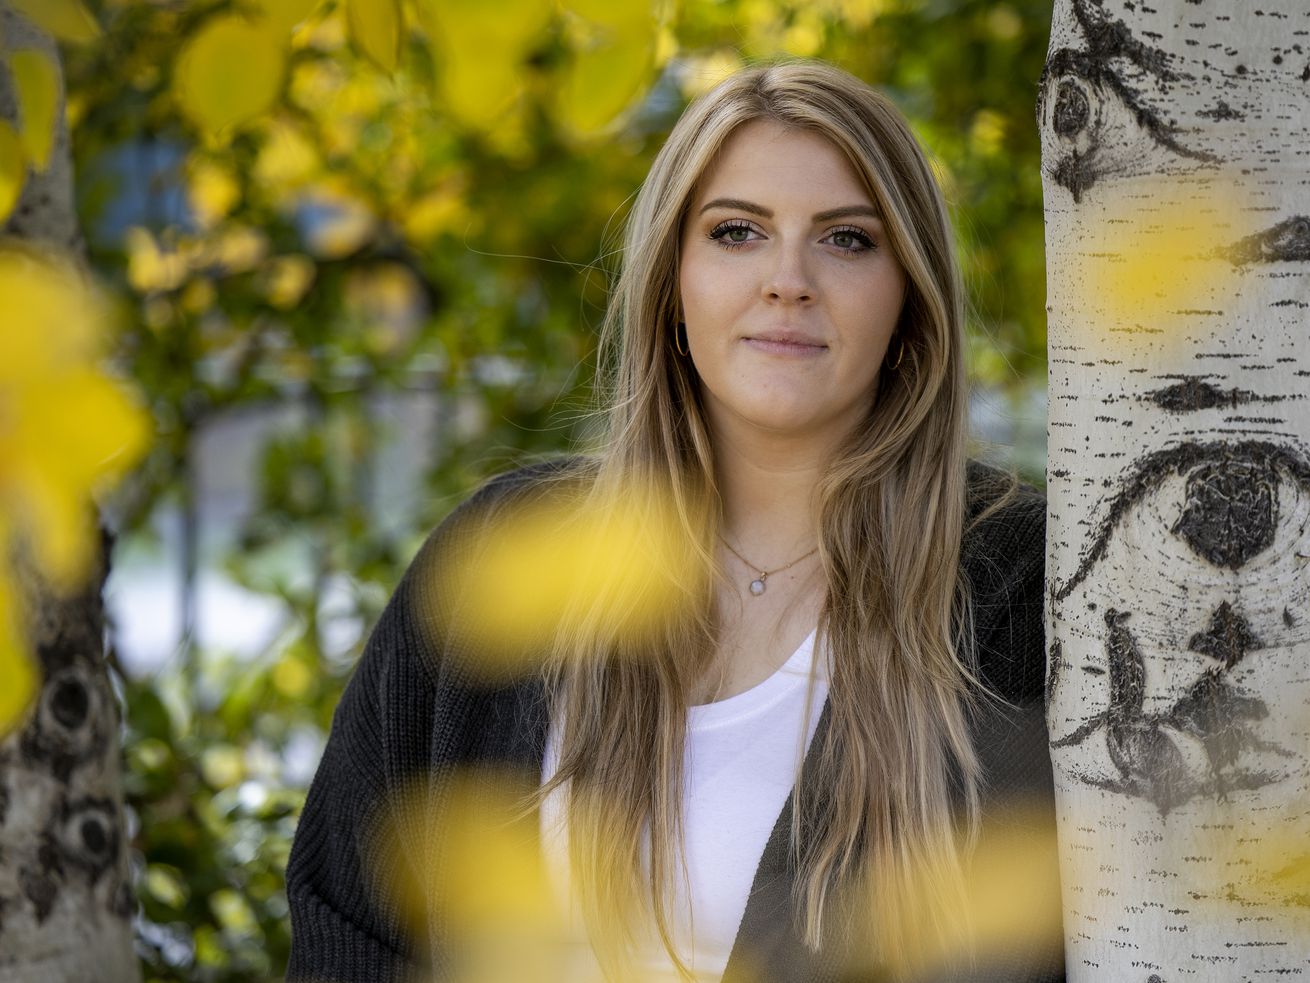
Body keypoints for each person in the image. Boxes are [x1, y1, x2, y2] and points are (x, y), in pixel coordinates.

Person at [286, 60, 1061, 983]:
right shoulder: (509, 549)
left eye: (848, 240)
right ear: (672, 279)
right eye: (736, 232)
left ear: (908, 295)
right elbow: (350, 926)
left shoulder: (1020, 585)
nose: (788, 279)